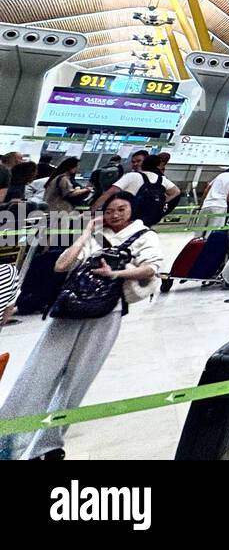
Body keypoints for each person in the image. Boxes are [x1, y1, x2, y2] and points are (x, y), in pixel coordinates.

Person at [0, 194, 163, 460]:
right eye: (110, 210)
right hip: (69, 309)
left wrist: (115, 274)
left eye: (122, 209)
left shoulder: (146, 236)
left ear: (132, 211)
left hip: (106, 312)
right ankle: (8, 438)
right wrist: (87, 232)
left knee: (78, 381)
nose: (116, 215)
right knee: (36, 373)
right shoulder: (95, 234)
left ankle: (48, 445)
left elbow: (151, 270)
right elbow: (61, 265)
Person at [98, 153, 181, 227]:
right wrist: (162, 203)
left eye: (139, 161)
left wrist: (91, 212)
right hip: (145, 220)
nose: (135, 164)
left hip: (127, 219)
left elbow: (107, 194)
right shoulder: (161, 179)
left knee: (98, 237)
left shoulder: (132, 176)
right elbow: (176, 192)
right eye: (133, 162)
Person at [191, 161, 229, 233]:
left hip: (207, 204)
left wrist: (202, 203)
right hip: (220, 205)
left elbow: (207, 188)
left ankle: (196, 243)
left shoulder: (222, 175)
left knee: (199, 230)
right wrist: (226, 202)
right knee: (212, 231)